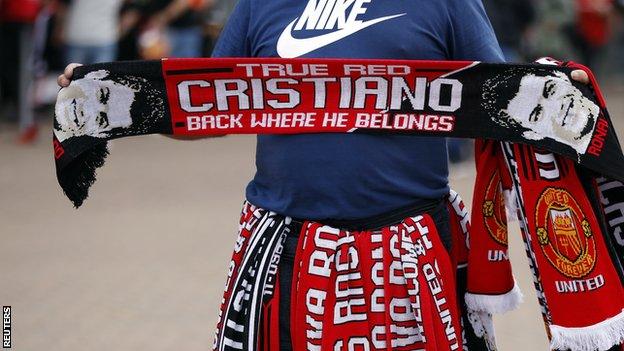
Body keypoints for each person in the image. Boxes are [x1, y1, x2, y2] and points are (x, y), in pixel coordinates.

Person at [57, 0, 591, 348]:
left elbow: (494, 101)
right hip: (283, 246)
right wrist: (103, 93)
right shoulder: (262, 4)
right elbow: (201, 110)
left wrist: (553, 90)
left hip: (411, 244)